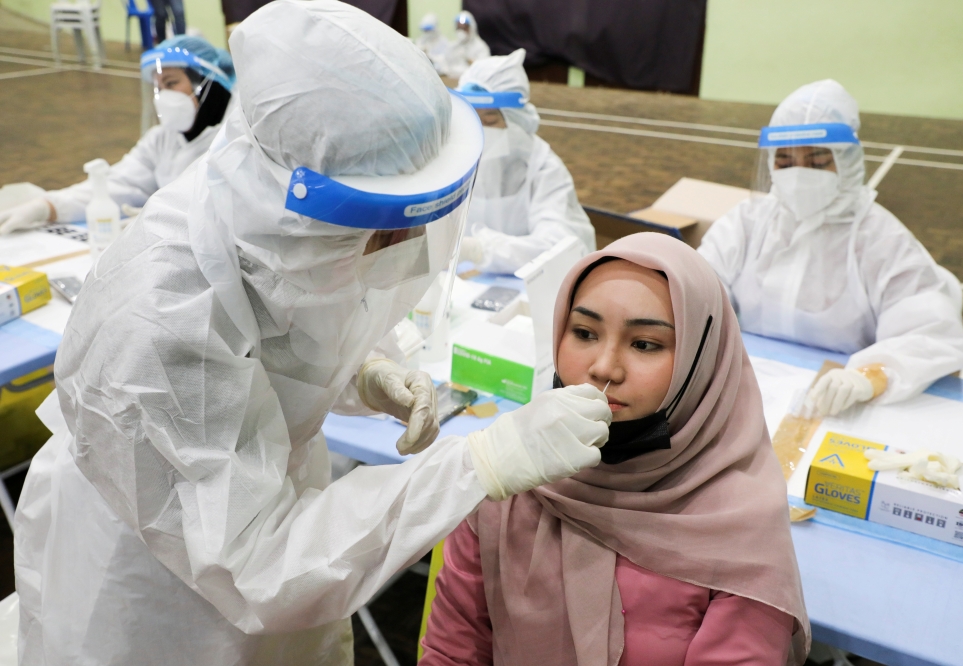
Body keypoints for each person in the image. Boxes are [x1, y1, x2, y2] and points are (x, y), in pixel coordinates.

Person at [13, 2, 612, 663]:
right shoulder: (158, 320)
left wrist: (365, 372)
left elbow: (284, 319)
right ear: (296, 193)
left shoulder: (262, 221)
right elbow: (257, 566)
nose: (399, 243)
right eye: (382, 222)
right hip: (158, 588)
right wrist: (478, 465)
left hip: (276, 518)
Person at [421, 232, 810, 665]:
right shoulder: (513, 470)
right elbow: (452, 651)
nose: (604, 367)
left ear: (701, 364)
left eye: (644, 344)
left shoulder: (738, 527)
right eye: (584, 333)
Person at [698, 79, 963, 417]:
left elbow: (931, 335)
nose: (799, 175)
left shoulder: (881, 238)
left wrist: (869, 377)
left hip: (843, 406)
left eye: (816, 163)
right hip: (748, 389)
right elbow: (697, 289)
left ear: (847, 163)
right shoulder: (748, 222)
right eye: (784, 163)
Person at [0, 35, 235, 235]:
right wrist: (48, 206)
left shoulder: (236, 140)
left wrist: (159, 221)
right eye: (159, 88)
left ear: (207, 83)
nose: (163, 97)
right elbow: (119, 183)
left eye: (171, 83)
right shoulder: (162, 139)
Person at [456, 49, 595, 274]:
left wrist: (479, 249)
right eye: (472, 119)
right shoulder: (458, 163)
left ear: (516, 120)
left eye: (490, 120)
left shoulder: (544, 168)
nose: (480, 132)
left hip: (530, 289)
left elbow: (558, 248)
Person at [442, 10, 490, 78]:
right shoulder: (452, 46)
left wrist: (468, 59)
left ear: (472, 28)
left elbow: (484, 69)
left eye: (464, 28)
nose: (461, 32)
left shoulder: (481, 47)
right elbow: (445, 65)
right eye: (459, 28)